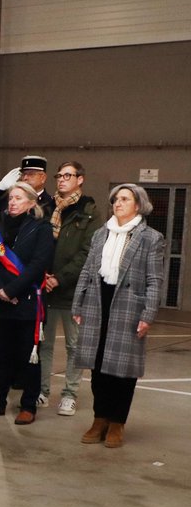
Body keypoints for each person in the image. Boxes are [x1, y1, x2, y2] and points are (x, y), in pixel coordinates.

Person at [72, 184, 164, 448]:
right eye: (115, 199)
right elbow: (87, 271)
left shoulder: (151, 238)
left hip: (128, 308)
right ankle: (99, 418)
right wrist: (78, 304)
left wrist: (148, 314)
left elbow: (154, 280)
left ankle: (117, 423)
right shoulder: (101, 234)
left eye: (125, 199)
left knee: (122, 370)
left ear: (139, 205)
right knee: (98, 365)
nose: (118, 203)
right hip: (97, 303)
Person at [0, 182, 55, 425]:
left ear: (32, 203)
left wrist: (12, 289)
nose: (12, 202)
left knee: (28, 356)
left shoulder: (41, 228)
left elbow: (38, 264)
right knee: (0, 355)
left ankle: (28, 405)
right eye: (11, 198)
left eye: (19, 198)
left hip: (27, 303)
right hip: (0, 303)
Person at [40, 161, 99, 416]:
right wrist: (42, 275)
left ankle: (69, 394)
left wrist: (60, 278)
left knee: (74, 345)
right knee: (44, 343)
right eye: (59, 175)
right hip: (45, 288)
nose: (61, 179)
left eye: (68, 175)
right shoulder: (47, 207)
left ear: (80, 179)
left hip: (73, 289)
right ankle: (41, 390)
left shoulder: (89, 210)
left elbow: (87, 252)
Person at [0, 154, 55, 223]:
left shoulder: (50, 203)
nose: (25, 178)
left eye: (31, 174)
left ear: (43, 178)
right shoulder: (10, 200)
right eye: (23, 174)